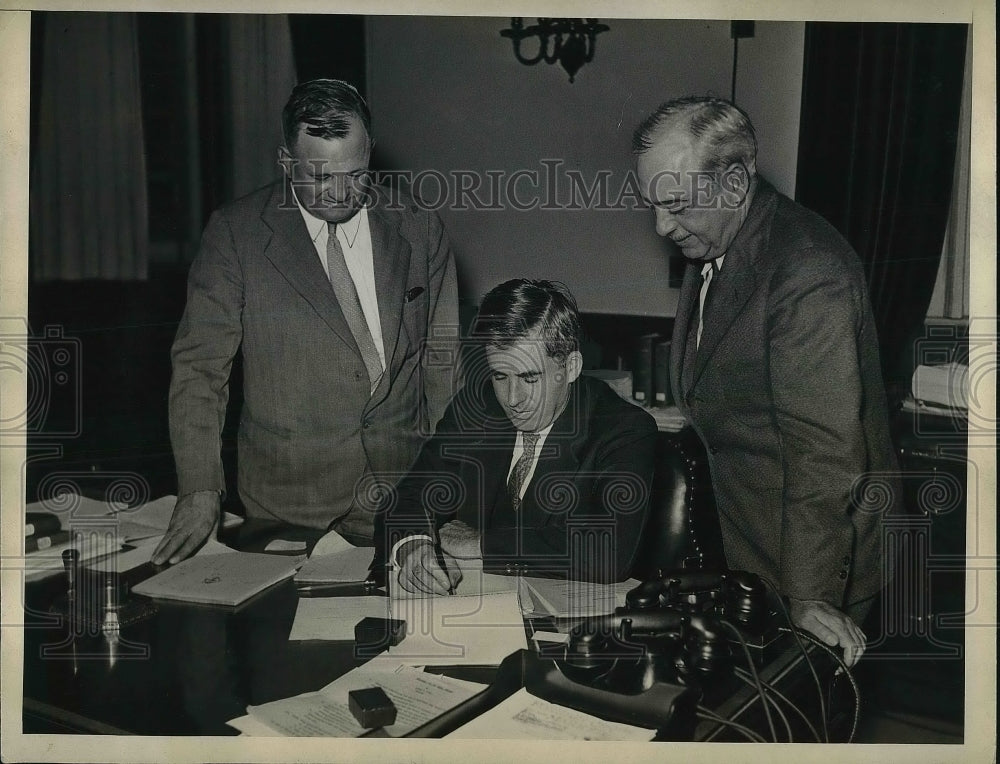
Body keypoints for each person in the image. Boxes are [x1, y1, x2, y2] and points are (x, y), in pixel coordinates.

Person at [632, 96, 901, 667]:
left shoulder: (806, 269)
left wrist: (809, 596)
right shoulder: (720, 246)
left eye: (676, 205)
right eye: (653, 205)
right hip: (749, 549)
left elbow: (823, 456)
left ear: (733, 185)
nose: (661, 226)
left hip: (809, 562)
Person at [154, 79, 459, 564]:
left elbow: (442, 363)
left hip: (406, 499)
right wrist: (199, 488)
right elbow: (199, 370)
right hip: (288, 507)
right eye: (320, 177)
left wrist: (453, 480)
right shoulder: (237, 234)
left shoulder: (419, 226)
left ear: (370, 153)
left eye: (356, 174)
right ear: (286, 162)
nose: (340, 193)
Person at [377, 279, 657, 592]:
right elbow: (405, 497)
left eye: (529, 377)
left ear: (572, 367)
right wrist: (415, 547)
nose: (512, 398)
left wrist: (482, 545)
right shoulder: (478, 409)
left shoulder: (625, 429)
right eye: (500, 375)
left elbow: (609, 551)